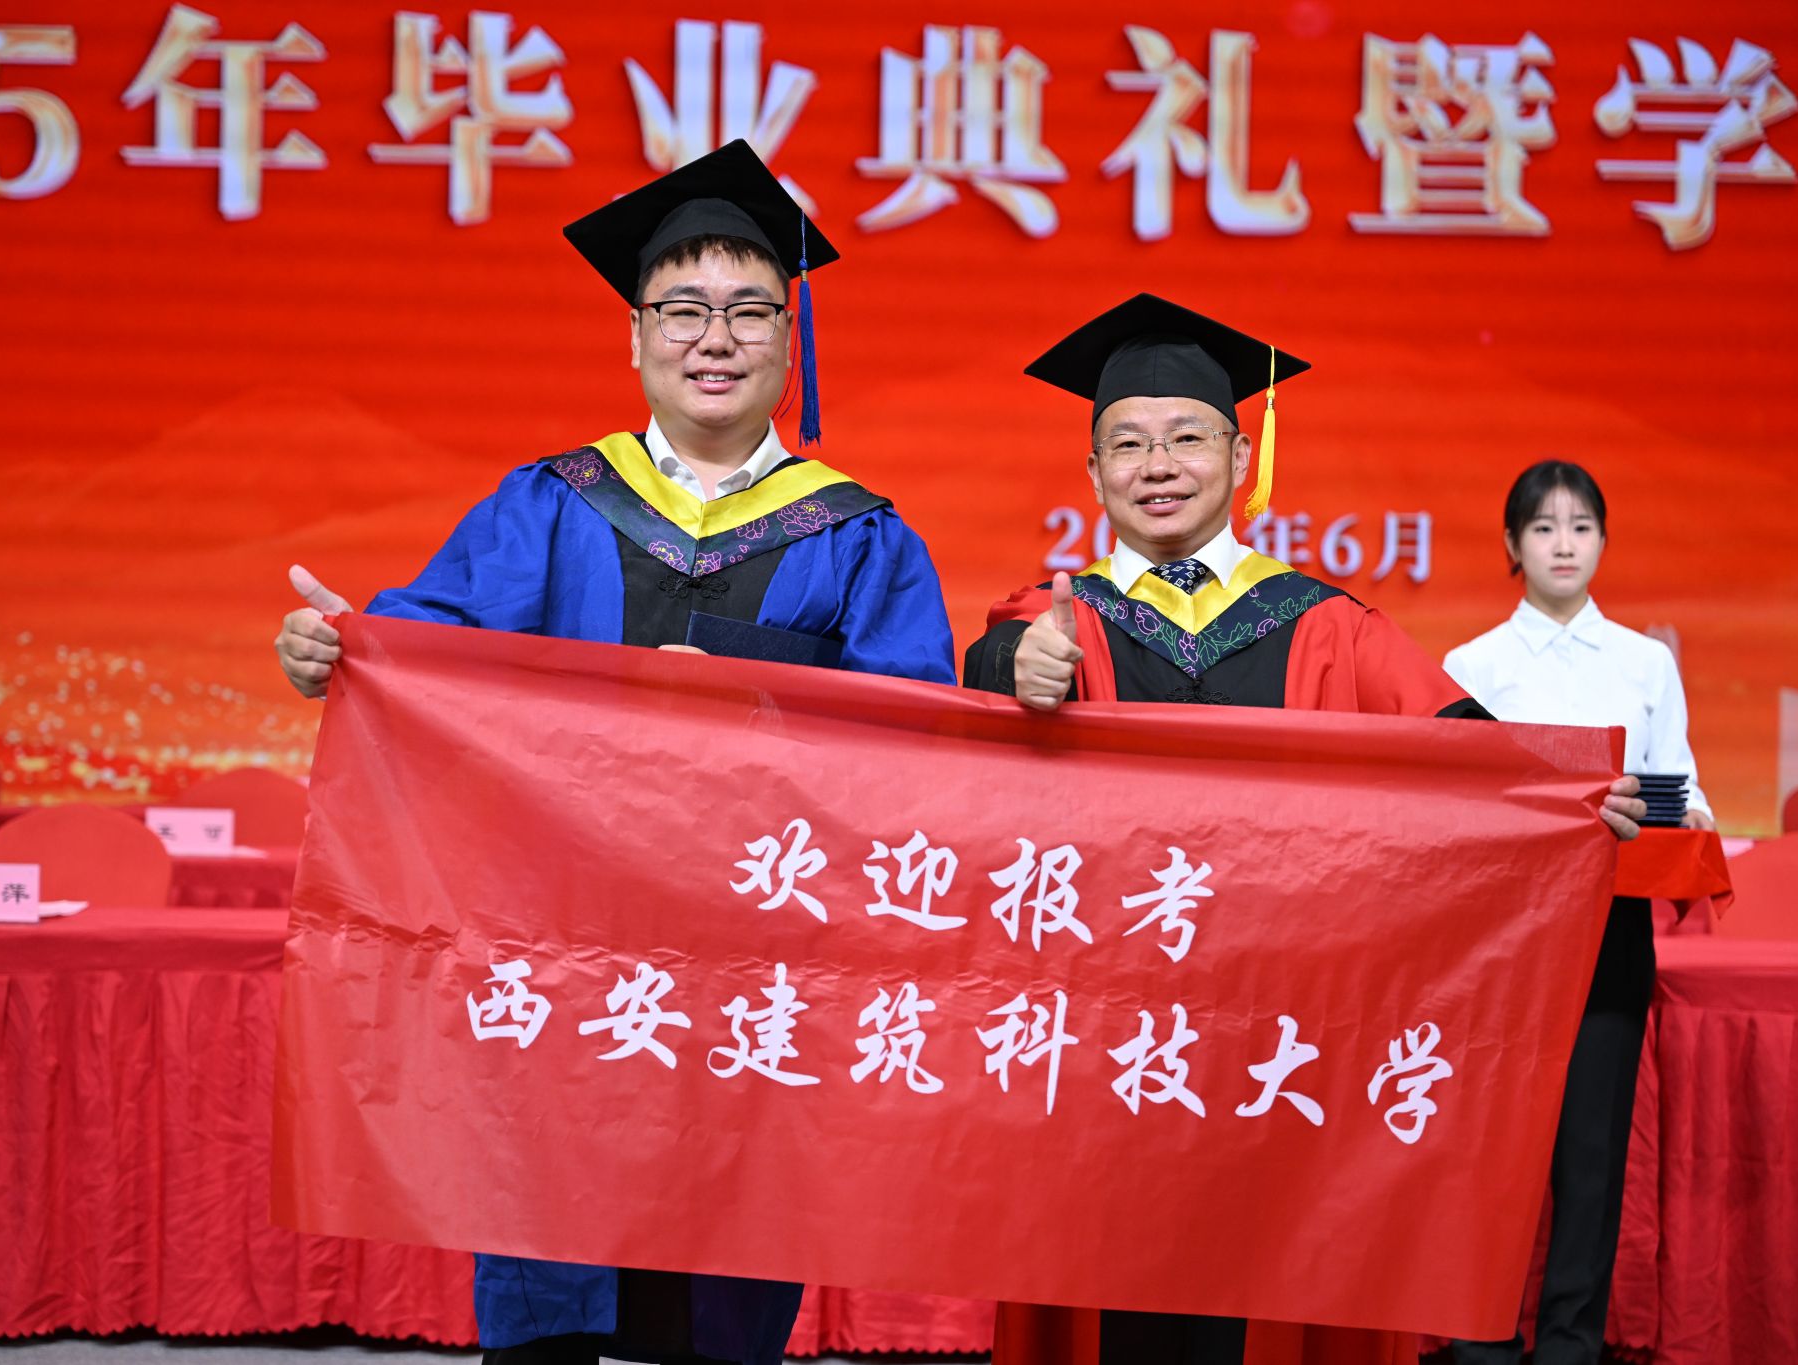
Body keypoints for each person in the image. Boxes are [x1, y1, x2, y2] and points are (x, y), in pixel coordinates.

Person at [273, 140, 955, 1365]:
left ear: (788, 339)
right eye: (681, 309)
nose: (714, 338)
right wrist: (344, 652)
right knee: (547, 1237)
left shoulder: (860, 534)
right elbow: (429, 649)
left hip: (755, 957)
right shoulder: (549, 502)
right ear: (634, 337)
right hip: (561, 948)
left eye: (748, 311)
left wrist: (749, 694)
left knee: (725, 1269)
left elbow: (912, 731)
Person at [960, 294, 1645, 1365]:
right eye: (1127, 445)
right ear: (1091, 473)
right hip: (1111, 1050)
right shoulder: (1057, 616)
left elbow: (1465, 747)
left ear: (1240, 458)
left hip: (1278, 1053)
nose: (1158, 466)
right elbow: (986, 672)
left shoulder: (1326, 625)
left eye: (1187, 438)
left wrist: (1569, 796)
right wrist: (1016, 667)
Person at [1440, 460, 1710, 1365]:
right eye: (1544, 527)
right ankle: (1479, 1341)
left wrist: (1692, 813)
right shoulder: (1472, 665)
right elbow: (1456, 806)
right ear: (1512, 544)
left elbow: (1679, 784)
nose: (1564, 544)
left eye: (1582, 527)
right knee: (1493, 1149)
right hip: (1503, 934)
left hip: (1609, 926)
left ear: (1602, 541)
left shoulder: (1645, 662)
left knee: (1591, 1154)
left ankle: (1570, 1345)